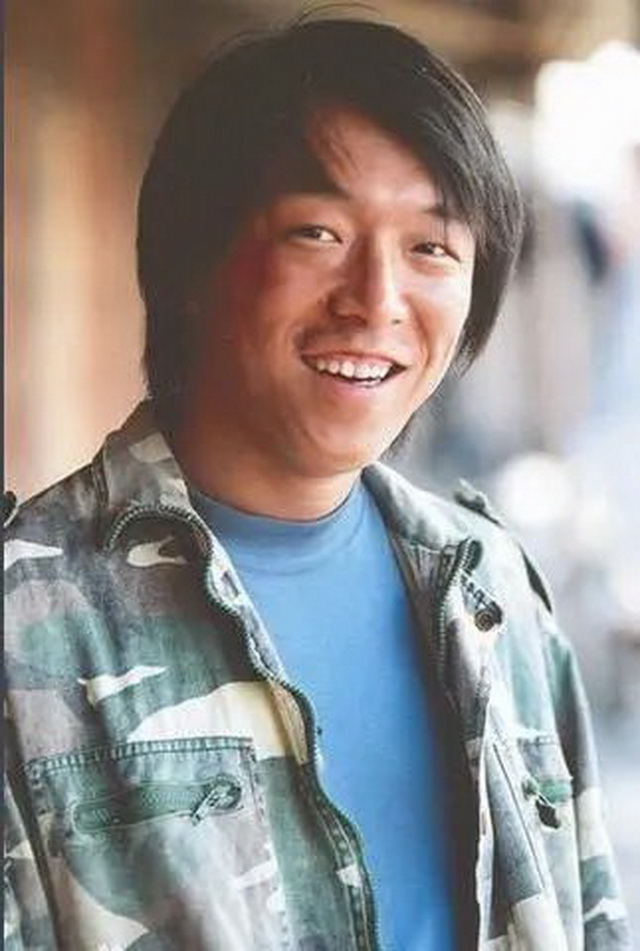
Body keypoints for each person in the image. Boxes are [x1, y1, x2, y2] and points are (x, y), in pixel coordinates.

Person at [4, 17, 630, 951]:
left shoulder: (492, 592)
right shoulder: (26, 620)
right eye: (319, 232)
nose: (377, 300)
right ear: (192, 260)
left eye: (431, 248)